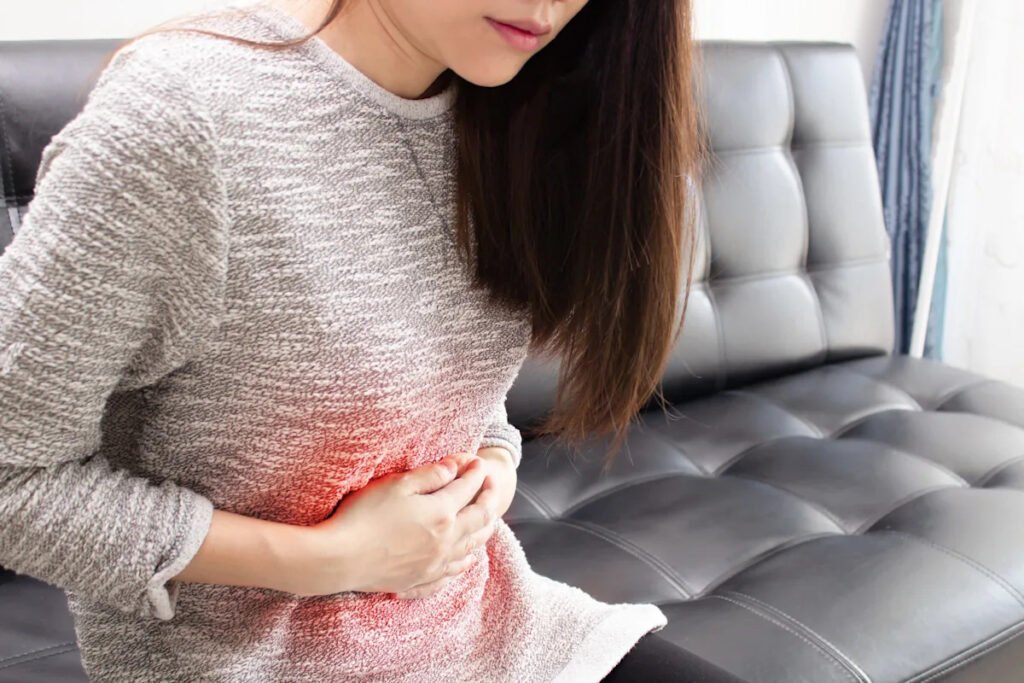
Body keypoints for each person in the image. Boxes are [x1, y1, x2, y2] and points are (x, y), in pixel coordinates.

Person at [0, 0, 734, 680]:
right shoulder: (185, 116)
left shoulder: (510, 107)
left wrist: (490, 466)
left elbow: (441, 377)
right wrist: (333, 559)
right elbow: (12, 481)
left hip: (487, 629)